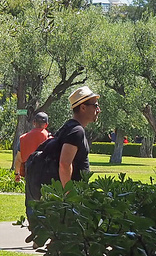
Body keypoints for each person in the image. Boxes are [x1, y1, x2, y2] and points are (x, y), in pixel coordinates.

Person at [24, 85, 101, 220]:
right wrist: (69, 196)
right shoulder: (77, 131)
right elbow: (65, 164)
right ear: (83, 107)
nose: (98, 110)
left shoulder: (68, 127)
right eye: (95, 106)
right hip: (67, 199)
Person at [15, 112, 51, 185]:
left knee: (30, 195)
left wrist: (17, 174)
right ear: (46, 125)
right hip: (45, 175)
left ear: (34, 122)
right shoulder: (49, 139)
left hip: (29, 174)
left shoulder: (23, 138)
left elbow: (18, 159)